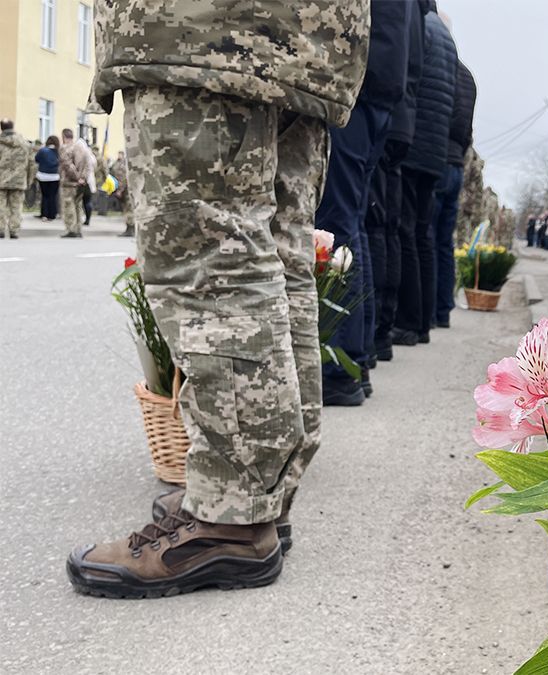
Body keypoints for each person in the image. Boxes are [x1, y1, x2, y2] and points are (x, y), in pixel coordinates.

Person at [66, 0, 369, 598]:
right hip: (302, 38)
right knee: (277, 260)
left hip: (200, 33)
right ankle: (259, 495)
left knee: (208, 258)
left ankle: (230, 521)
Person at [316, 0, 423, 406]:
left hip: (354, 82)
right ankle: (352, 362)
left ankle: (339, 369)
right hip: (379, 90)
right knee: (351, 226)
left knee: (336, 226)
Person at [370, 0, 430, 363]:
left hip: (382, 110)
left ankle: (368, 341)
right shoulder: (429, 26)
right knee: (401, 232)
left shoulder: (413, 16)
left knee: (378, 226)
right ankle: (392, 330)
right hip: (406, 129)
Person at [395, 6, 457, 347]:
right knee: (424, 236)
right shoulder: (449, 42)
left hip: (415, 145)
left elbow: (410, 80)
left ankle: (408, 322)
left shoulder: (423, 27)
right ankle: (424, 320)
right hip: (436, 153)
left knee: (407, 232)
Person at [430, 58, 477, 330]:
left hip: (438, 161)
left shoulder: (442, 67)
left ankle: (430, 309)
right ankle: (443, 308)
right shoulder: (468, 77)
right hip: (457, 163)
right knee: (444, 243)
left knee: (427, 237)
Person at [0, 120, 35, 239]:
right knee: (16, 207)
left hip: (1, 180)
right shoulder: (24, 144)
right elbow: (32, 164)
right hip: (19, 180)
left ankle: (0, 229)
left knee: (1, 205)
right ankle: (14, 230)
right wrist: (29, 180)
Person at [58, 129, 89, 238]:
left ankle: (71, 229)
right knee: (78, 206)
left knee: (68, 206)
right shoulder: (82, 148)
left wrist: (77, 178)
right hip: (80, 184)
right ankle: (78, 229)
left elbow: (67, 165)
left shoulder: (65, 148)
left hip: (69, 183)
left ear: (63, 136)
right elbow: (87, 165)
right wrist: (83, 178)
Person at [35, 136, 59, 221]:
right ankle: (52, 214)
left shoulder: (42, 150)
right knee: (52, 195)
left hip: (43, 176)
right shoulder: (58, 151)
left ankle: (44, 214)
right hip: (55, 176)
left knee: (45, 195)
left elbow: (36, 159)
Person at [109, 150, 133, 237]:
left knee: (128, 209)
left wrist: (120, 189)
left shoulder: (124, 164)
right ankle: (129, 227)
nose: (119, 156)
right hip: (120, 189)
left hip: (126, 190)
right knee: (126, 209)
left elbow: (123, 178)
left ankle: (131, 227)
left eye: (120, 154)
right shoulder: (117, 163)